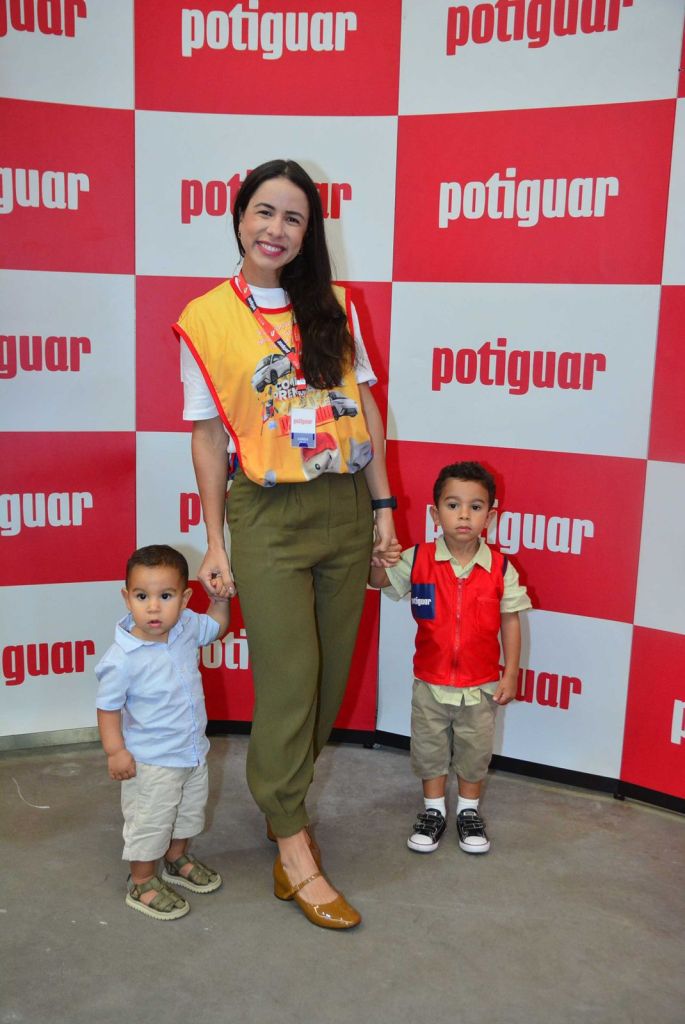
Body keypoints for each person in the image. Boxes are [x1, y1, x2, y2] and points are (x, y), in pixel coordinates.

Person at [173, 159, 397, 930]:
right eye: (263, 212)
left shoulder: (332, 304)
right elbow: (208, 436)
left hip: (343, 505)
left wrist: (383, 507)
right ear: (238, 217)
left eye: (292, 217)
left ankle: (285, 811)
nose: (275, 229)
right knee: (290, 677)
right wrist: (214, 541)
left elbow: (362, 407)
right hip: (266, 514)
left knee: (328, 681)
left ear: (309, 232)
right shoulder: (206, 318)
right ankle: (292, 839)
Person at [369, 462, 531, 856]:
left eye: (476, 507)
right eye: (453, 505)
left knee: (475, 752)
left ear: (490, 517)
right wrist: (377, 559)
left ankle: (468, 811)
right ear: (434, 513)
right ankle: (434, 810)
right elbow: (379, 583)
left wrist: (510, 673)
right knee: (429, 750)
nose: (463, 516)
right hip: (430, 683)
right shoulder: (418, 559)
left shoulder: (501, 568)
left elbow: (510, 620)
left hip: (480, 687)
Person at [95, 544, 230, 921]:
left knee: (188, 813)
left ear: (184, 599)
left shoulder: (186, 626)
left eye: (166, 596)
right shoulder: (122, 658)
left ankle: (176, 858)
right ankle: (141, 880)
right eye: (142, 596)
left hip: (192, 752)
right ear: (127, 598)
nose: (153, 607)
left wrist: (220, 601)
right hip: (152, 763)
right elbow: (107, 708)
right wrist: (115, 751)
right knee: (150, 822)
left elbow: (216, 628)